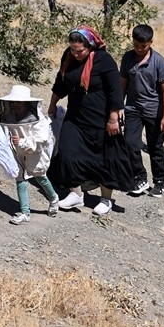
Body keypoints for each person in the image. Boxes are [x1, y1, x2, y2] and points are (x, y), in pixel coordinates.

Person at [48, 26, 131, 217]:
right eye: (73, 49)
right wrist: (53, 103)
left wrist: (113, 118)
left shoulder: (103, 60)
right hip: (76, 117)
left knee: (103, 158)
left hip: (101, 119)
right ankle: (76, 193)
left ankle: (106, 199)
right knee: (67, 151)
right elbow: (60, 82)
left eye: (80, 50)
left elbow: (115, 90)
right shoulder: (68, 57)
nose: (76, 54)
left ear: (90, 46)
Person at [119, 24, 164, 198]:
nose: (140, 49)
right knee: (130, 143)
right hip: (133, 108)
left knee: (155, 148)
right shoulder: (128, 58)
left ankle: (160, 181)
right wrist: (118, 107)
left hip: (154, 111)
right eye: (136, 45)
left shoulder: (158, 61)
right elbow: (123, 84)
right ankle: (140, 178)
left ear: (151, 42)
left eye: (144, 46)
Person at [0, 85, 60, 225]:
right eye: (13, 102)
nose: (15, 105)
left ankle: (53, 199)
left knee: (40, 177)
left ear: (26, 103)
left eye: (18, 102)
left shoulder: (38, 120)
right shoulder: (9, 117)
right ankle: (25, 213)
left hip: (35, 153)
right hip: (17, 152)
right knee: (20, 180)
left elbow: (42, 138)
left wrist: (23, 141)